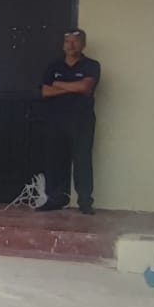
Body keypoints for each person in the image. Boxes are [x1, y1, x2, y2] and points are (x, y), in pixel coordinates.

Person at [38, 29, 101, 214]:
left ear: (83, 44)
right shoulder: (54, 66)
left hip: (82, 120)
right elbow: (45, 91)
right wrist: (73, 87)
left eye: (75, 41)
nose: (71, 45)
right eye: (68, 42)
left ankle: (85, 202)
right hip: (55, 120)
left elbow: (85, 87)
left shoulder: (91, 65)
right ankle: (55, 199)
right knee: (55, 160)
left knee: (82, 160)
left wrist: (58, 85)